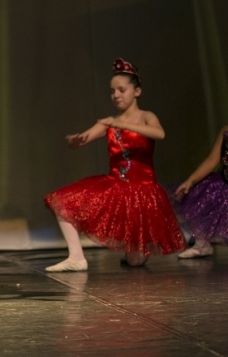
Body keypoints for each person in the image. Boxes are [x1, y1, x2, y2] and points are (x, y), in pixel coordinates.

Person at [44, 58, 185, 271]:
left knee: (135, 261)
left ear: (137, 92)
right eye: (112, 91)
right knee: (61, 202)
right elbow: (84, 138)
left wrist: (121, 123)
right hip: (116, 185)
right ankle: (76, 257)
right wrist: (75, 141)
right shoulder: (109, 122)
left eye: (121, 90)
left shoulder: (146, 117)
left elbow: (160, 133)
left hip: (143, 192)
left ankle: (134, 255)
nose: (116, 95)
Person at [172, 125, 228, 258]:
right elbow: (212, 160)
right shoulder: (226, 130)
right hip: (224, 183)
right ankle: (202, 245)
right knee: (198, 194)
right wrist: (190, 181)